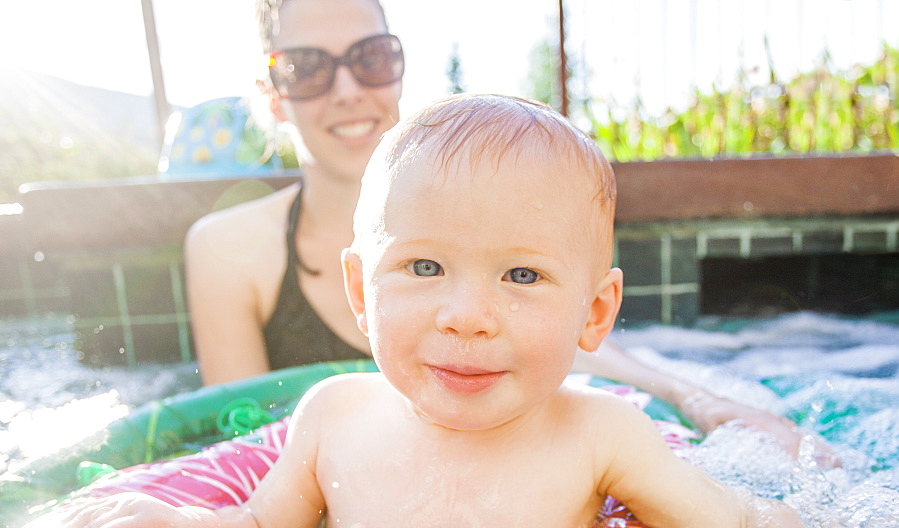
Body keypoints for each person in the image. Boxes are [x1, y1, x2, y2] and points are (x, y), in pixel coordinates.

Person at [24, 95, 899, 528]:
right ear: (361, 290)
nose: (466, 313)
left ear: (596, 313)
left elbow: (747, 526)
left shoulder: (601, 437)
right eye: (423, 268)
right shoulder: (333, 415)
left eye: (523, 275)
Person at [183, 0, 826, 462]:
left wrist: (705, 403)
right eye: (308, 69)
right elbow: (236, 442)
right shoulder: (229, 250)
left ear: (399, 69)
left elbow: (569, 331)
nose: (348, 89)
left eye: (371, 58)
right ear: (272, 94)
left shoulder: (497, 205)